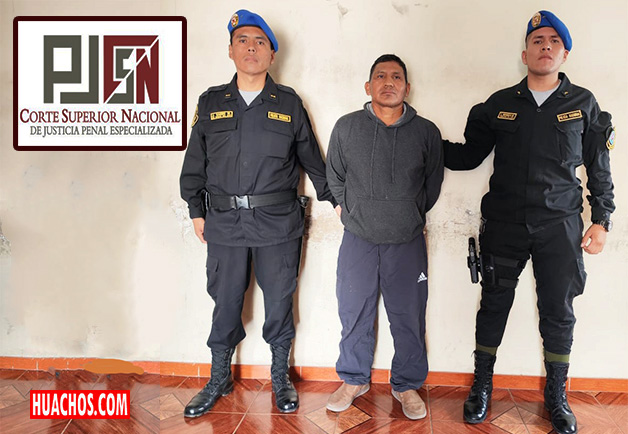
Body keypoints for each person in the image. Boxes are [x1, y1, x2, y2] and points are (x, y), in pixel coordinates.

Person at [443, 10, 615, 434]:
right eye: (538, 40)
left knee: (558, 311)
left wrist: (602, 219)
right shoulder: (500, 104)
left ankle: (557, 396)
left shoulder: (583, 104)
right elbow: (468, 156)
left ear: (564, 54)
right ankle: (482, 386)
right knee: (494, 305)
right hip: (504, 225)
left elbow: (599, 166)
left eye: (554, 41)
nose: (545, 47)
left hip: (560, 226)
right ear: (524, 54)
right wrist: (421, 139)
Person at [179, 9, 338, 417]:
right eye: (243, 41)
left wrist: (339, 201)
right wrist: (196, 210)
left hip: (277, 224)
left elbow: (313, 161)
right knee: (225, 300)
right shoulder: (210, 102)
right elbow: (194, 163)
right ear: (231, 51)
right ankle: (218, 377)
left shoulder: (288, 104)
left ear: (272, 54)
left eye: (260, 42)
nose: (251, 48)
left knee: (280, 299)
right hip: (224, 223)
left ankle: (280, 376)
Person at [326, 54, 444, 420]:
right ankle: (353, 379)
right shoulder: (346, 127)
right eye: (380, 76)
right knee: (353, 310)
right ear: (368, 86)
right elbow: (335, 176)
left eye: (396, 77)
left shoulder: (426, 132)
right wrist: (350, 210)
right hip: (358, 238)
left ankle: (406, 384)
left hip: (406, 240)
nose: (388, 82)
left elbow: (432, 183)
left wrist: (409, 214)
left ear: (407, 87)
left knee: (408, 314)